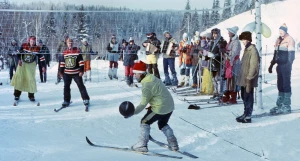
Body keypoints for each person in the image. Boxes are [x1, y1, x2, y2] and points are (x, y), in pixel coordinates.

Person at [129, 60, 179, 152]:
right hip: (169, 106)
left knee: (144, 121)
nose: (134, 76)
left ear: (140, 74)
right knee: (162, 123)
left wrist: (133, 112)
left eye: (135, 74)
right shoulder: (151, 77)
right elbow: (157, 93)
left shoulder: (146, 85)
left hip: (160, 107)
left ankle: (142, 145)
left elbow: (143, 103)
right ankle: (173, 144)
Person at [268, 23, 295, 115]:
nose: (280, 32)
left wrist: (289, 64)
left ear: (285, 31)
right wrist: (271, 64)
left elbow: (291, 54)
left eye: (282, 31)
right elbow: (275, 54)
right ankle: (280, 104)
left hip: (286, 66)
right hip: (279, 66)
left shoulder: (290, 39)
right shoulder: (278, 40)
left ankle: (287, 105)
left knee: (286, 84)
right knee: (280, 84)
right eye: (279, 31)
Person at [236, 31, 259, 123]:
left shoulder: (252, 50)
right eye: (242, 40)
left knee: (248, 96)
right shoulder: (246, 49)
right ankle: (245, 113)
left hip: (248, 79)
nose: (243, 42)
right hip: (243, 78)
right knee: (244, 96)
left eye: (244, 40)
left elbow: (254, 66)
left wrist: (249, 77)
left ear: (249, 39)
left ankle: (248, 115)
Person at [59, 38, 90, 107]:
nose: (70, 44)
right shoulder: (64, 52)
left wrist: (81, 71)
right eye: (69, 43)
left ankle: (86, 99)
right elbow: (62, 63)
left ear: (73, 43)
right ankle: (66, 100)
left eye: (71, 43)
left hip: (76, 72)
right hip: (67, 73)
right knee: (66, 87)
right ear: (67, 44)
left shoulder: (77, 51)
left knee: (81, 86)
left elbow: (81, 62)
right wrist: (60, 72)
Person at [11, 36, 43, 101]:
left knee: (31, 79)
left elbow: (41, 57)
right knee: (19, 78)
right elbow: (18, 54)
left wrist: (43, 66)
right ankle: (17, 95)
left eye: (34, 41)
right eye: (31, 41)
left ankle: (31, 95)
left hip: (31, 65)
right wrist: (19, 60)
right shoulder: (24, 45)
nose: (32, 43)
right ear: (29, 41)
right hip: (23, 64)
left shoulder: (37, 48)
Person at [221, 26, 241, 104]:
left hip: (234, 63)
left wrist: (225, 52)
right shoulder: (231, 41)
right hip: (229, 63)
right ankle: (227, 95)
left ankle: (233, 97)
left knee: (233, 79)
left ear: (233, 33)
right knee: (228, 79)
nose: (228, 33)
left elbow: (233, 53)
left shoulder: (236, 42)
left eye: (229, 32)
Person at [208, 28, 227, 99]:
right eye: (213, 33)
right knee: (214, 78)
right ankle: (215, 92)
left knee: (219, 78)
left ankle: (220, 92)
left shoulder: (222, 41)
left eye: (215, 33)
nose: (214, 35)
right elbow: (210, 50)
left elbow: (223, 52)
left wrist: (216, 55)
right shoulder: (212, 41)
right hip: (213, 62)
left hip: (219, 62)